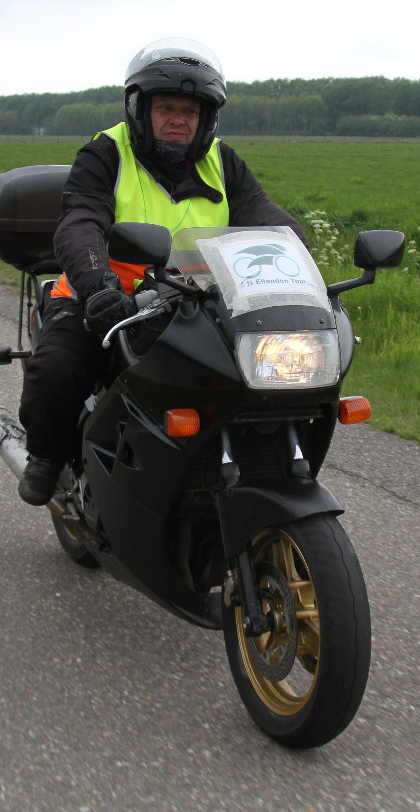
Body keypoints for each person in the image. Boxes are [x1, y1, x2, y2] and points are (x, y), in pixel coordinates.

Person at [17, 37, 305, 505]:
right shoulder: (107, 153)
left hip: (195, 302)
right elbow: (80, 221)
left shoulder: (223, 162)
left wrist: (301, 263)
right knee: (58, 369)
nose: (178, 119)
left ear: (206, 119)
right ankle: (47, 456)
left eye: (189, 111)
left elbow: (264, 214)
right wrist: (97, 285)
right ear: (140, 109)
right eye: (166, 107)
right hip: (110, 300)